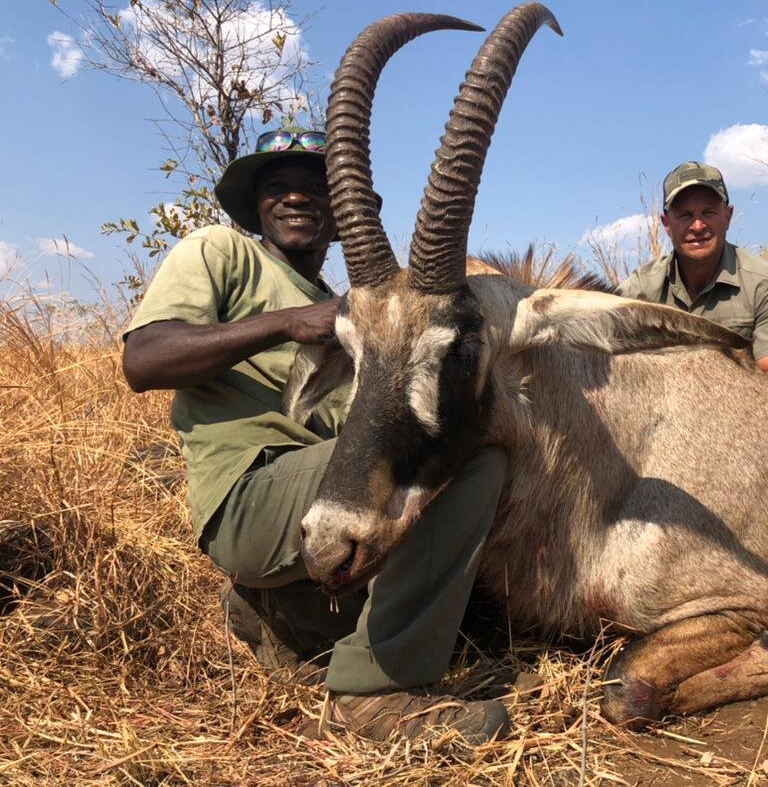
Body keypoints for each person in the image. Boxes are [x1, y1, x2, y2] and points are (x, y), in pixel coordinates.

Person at [121, 128, 510, 745]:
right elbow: (143, 360)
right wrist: (287, 324)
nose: (296, 199)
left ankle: (281, 616)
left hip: (321, 503)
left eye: (316, 187)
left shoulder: (344, 305)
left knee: (479, 618)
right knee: (469, 460)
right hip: (249, 494)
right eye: (278, 187)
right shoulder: (220, 251)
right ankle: (373, 693)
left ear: (343, 215)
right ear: (257, 206)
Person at [617, 161, 768, 373]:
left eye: (709, 213)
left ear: (728, 216)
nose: (697, 226)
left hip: (738, 404)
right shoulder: (639, 288)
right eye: (685, 215)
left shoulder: (765, 283)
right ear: (667, 224)